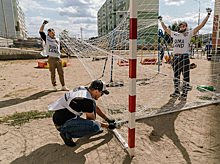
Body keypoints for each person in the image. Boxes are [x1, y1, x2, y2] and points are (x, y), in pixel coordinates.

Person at [158, 8, 212, 100]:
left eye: (183, 26)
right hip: (176, 58)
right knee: (176, 76)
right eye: (180, 26)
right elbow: (165, 29)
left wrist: (208, 15)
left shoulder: (189, 34)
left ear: (186, 27)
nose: (181, 27)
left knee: (186, 77)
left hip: (185, 58)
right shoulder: (175, 34)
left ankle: (185, 94)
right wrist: (161, 20)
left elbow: (201, 26)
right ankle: (176, 91)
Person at [48, 80, 116, 147]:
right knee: (95, 126)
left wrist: (107, 119)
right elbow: (92, 120)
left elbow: (94, 106)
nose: (101, 95)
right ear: (96, 91)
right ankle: (67, 135)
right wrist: (108, 125)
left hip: (60, 117)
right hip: (62, 124)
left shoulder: (85, 90)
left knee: (93, 103)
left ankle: (88, 128)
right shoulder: (86, 101)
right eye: (102, 93)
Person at [39, 20, 69, 91]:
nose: (53, 34)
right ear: (49, 33)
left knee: (61, 72)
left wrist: (66, 53)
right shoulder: (46, 38)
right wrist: (43, 24)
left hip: (58, 58)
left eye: (54, 32)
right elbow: (40, 31)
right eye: (52, 33)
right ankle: (54, 86)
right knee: (53, 73)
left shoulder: (57, 40)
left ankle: (63, 86)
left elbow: (60, 48)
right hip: (51, 58)